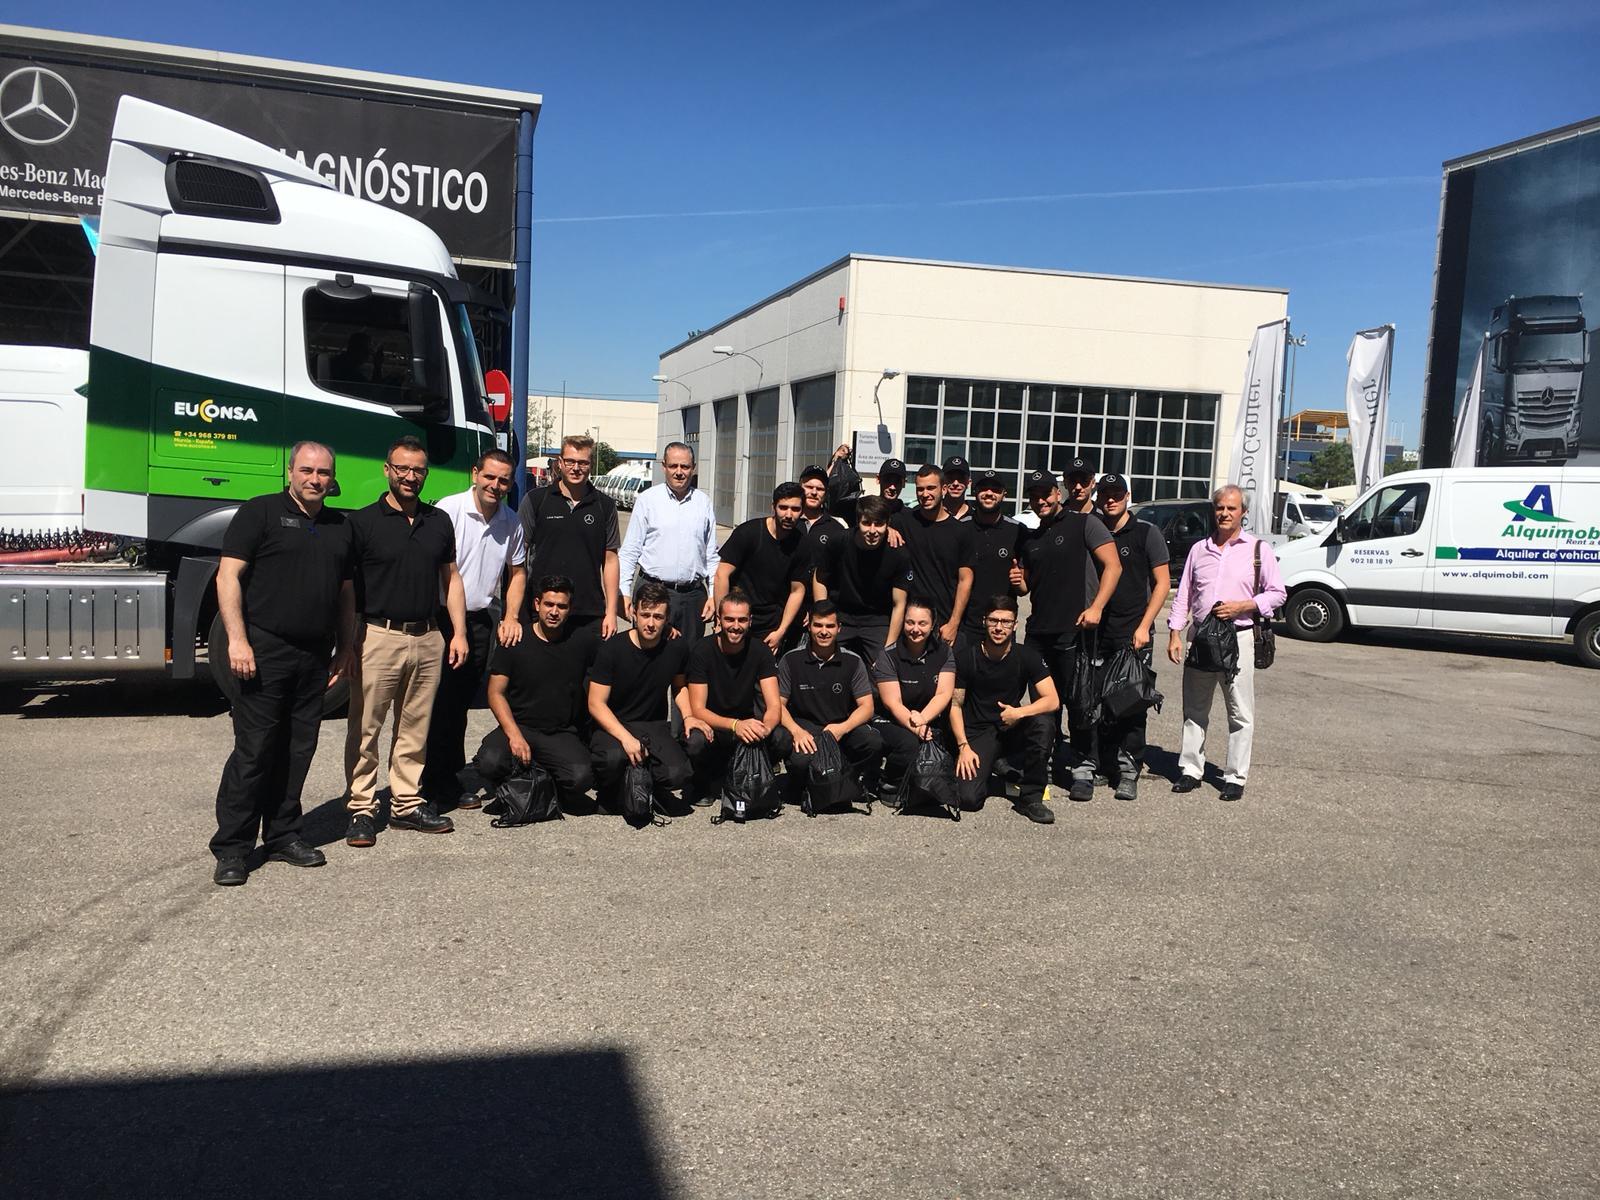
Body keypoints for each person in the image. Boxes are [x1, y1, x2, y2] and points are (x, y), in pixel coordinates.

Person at [209, 442, 356, 886]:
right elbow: (228, 576)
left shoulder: (339, 526)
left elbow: (346, 594)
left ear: (333, 478)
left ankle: (283, 835)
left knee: (298, 749)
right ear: (290, 471)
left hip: (314, 656)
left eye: (323, 472)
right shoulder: (259, 513)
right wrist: (237, 640)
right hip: (264, 650)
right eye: (307, 470)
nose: (315, 479)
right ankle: (233, 848)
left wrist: (345, 648)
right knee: (255, 750)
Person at [343, 437, 469, 847]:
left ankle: (406, 803)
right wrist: (348, 642)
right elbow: (347, 589)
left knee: (415, 728)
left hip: (428, 636)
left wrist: (458, 632)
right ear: (387, 470)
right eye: (402, 468)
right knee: (366, 728)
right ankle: (362, 808)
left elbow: (451, 579)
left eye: (418, 470)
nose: (410, 477)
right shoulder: (362, 523)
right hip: (378, 636)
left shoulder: (438, 521)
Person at [1166, 485, 1286, 801]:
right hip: (1201, 638)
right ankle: (1191, 770)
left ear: (1243, 512)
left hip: (1239, 637)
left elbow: (1277, 593)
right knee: (1195, 708)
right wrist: (1175, 632)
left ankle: (1235, 777)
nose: (1224, 513)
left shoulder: (1258, 550)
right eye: (1220, 507)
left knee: (1240, 712)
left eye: (1231, 508)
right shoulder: (1199, 549)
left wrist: (1243, 606)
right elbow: (1184, 594)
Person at [422, 449, 526, 808]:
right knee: (434, 703)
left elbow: (518, 572)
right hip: (441, 619)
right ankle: (426, 785)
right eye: (489, 477)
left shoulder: (511, 521)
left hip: (480, 620)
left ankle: (447, 779)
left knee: (458, 705)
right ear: (475, 474)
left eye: (503, 480)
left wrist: (511, 616)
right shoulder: (448, 510)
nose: (495, 485)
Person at [1017, 467, 1120, 802]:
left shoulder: (1084, 523)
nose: (1041, 500)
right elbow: (1027, 586)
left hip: (1074, 631)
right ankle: (1043, 767)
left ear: (1057, 493)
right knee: (1044, 706)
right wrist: (1020, 583)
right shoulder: (1031, 538)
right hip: (1038, 633)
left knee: (1079, 704)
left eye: (1046, 494)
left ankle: (1083, 770)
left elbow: (1114, 566)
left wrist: (1097, 607)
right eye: (1035, 496)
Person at [468, 574, 601, 811]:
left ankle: (536, 778)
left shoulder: (582, 642)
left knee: (581, 777)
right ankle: (520, 782)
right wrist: (514, 736)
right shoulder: (515, 640)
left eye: (561, 606)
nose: (554, 612)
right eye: (549, 604)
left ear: (570, 609)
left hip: (559, 732)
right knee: (489, 763)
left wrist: (667, 634)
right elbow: (495, 693)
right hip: (519, 726)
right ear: (537, 604)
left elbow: (618, 653)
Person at [587, 581, 702, 815]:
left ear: (667, 619)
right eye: (645, 615)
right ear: (633, 613)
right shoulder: (612, 649)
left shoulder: (676, 647)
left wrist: (689, 716)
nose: (650, 623)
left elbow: (679, 686)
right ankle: (612, 791)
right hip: (614, 724)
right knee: (612, 759)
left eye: (658, 617)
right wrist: (626, 738)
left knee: (678, 773)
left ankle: (650, 787)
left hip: (652, 725)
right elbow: (595, 703)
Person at [1093, 473, 1171, 801]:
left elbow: (1162, 584)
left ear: (1127, 496)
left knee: (1131, 704)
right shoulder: (1093, 530)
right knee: (1098, 703)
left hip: (1133, 634)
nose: (1110, 499)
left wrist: (1144, 626)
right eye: (1105, 494)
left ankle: (1129, 770)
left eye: (1117, 494)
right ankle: (1103, 764)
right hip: (1098, 634)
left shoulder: (1146, 533)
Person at [949, 595, 1060, 824]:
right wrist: (963, 746)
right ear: (984, 622)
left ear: (1015, 625)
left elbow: (1052, 700)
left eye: (1006, 622)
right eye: (994, 620)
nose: (999, 627)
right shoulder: (966, 657)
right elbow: (955, 705)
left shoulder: (1026, 656)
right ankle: (994, 765)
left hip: (1011, 726)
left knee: (1043, 722)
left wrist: (1019, 713)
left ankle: (1031, 798)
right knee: (968, 799)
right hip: (978, 732)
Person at [685, 590, 786, 805]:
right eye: (729, 619)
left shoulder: (761, 651)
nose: (736, 626)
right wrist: (734, 725)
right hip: (715, 726)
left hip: (748, 726)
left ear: (750, 621)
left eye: (742, 620)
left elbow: (774, 706)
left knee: (782, 738)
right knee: (695, 741)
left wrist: (765, 729)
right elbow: (698, 709)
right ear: (719, 619)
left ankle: (756, 775)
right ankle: (703, 783)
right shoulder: (702, 650)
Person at [776, 601, 882, 803]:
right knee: (800, 762)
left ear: (839, 628)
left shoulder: (853, 661)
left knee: (873, 742)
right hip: (807, 729)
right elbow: (777, 705)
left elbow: (867, 707)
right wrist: (796, 731)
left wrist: (842, 728)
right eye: (818, 625)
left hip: (840, 727)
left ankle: (850, 780)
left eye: (830, 626)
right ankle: (803, 786)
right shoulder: (791, 660)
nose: (824, 632)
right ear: (809, 626)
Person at [518, 433, 620, 638]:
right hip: (543, 608)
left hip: (588, 612)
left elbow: (610, 560)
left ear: (591, 465)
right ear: (560, 462)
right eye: (570, 461)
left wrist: (611, 612)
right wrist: (513, 612)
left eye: (583, 463)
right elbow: (518, 558)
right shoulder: (536, 500)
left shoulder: (605, 506)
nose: (576, 468)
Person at [617, 441, 718, 644]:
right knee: (649, 656)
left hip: (692, 598)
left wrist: (714, 594)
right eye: (673, 466)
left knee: (689, 656)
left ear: (693, 468)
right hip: (652, 592)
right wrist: (624, 593)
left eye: (685, 466)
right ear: (664, 466)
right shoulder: (648, 500)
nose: (679, 472)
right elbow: (629, 551)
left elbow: (711, 555)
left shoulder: (703, 503)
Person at [872, 597, 956, 810]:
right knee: (909, 744)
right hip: (889, 719)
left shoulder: (944, 652)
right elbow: (892, 702)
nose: (915, 629)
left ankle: (916, 784)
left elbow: (944, 693)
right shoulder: (888, 655)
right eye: (910, 622)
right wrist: (917, 727)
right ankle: (888, 782)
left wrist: (923, 719)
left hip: (925, 717)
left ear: (933, 624)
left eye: (922, 623)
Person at [811, 494, 912, 665]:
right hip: (841, 614)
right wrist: (823, 615)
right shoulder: (839, 541)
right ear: (858, 522)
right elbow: (820, 578)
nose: (872, 530)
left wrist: (888, 649)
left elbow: (899, 604)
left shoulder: (898, 554)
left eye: (879, 524)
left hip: (877, 620)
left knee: (884, 668)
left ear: (888, 524)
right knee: (823, 662)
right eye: (867, 523)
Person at [715, 483, 809, 655]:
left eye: (795, 509)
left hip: (771, 625)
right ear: (773, 507)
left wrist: (781, 631)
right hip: (738, 617)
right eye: (783, 507)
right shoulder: (748, 533)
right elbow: (722, 575)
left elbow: (797, 591)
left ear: (802, 511)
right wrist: (721, 619)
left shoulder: (802, 544)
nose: (789, 515)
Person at [890, 464, 975, 646]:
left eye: (931, 488)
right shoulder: (903, 522)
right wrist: (889, 530)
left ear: (944, 489)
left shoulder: (961, 532)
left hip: (944, 625)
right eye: (920, 489)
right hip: (910, 624)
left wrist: (953, 623)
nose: (925, 494)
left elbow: (965, 580)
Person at [958, 469, 1025, 649]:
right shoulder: (960, 528)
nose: (989, 493)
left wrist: (1019, 581)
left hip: (1002, 625)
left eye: (995, 489)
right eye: (983, 488)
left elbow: (1024, 587)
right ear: (974, 492)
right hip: (966, 625)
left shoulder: (1018, 531)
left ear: (1004, 494)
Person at [797, 464, 840, 535]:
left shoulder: (836, 528)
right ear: (800, 488)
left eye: (820, 489)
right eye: (809, 487)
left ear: (826, 493)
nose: (814, 492)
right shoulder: (788, 521)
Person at [942, 455, 973, 521]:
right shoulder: (932, 514)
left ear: (969, 483)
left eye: (961, 478)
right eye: (950, 478)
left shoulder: (976, 518)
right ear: (942, 481)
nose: (955, 483)